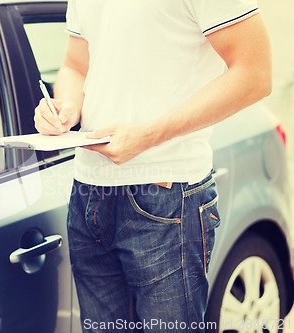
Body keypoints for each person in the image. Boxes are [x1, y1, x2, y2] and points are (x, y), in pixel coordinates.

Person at [34, 1, 271, 332]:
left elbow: (255, 73)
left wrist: (148, 135)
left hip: (167, 195)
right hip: (88, 193)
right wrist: (66, 107)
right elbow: (75, 66)